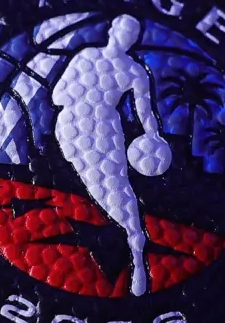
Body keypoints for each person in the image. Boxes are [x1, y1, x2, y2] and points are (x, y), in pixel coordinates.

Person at [52, 15, 163, 296]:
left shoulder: (135, 72)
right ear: (112, 29)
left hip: (105, 128)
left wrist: (153, 136)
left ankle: (136, 249)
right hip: (72, 126)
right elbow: (56, 96)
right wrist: (86, 95)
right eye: (123, 29)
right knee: (91, 183)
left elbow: (145, 113)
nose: (125, 36)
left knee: (115, 187)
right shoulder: (86, 55)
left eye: (132, 33)